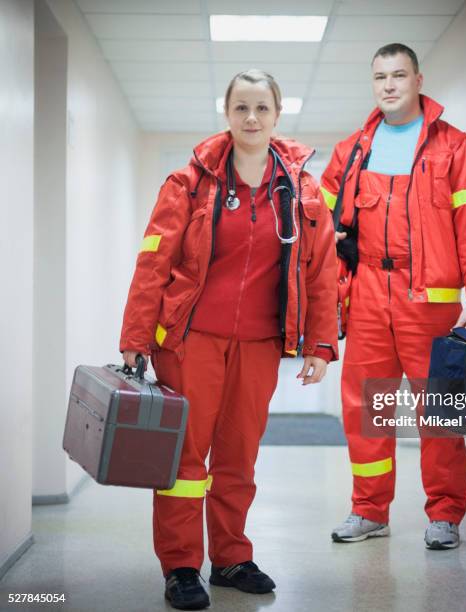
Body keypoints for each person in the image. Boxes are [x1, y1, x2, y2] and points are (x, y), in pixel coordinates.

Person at [120, 69, 338, 610]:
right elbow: (154, 263)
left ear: (277, 115)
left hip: (261, 344)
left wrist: (320, 344)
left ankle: (232, 557)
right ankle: (181, 566)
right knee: (185, 461)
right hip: (189, 341)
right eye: (241, 108)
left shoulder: (304, 191)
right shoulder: (188, 183)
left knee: (239, 458)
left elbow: (322, 272)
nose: (251, 118)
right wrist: (136, 335)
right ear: (227, 113)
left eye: (262, 108)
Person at [320, 43, 466, 550]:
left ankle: (445, 516)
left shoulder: (454, 147)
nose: (389, 85)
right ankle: (369, 511)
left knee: (438, 413)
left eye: (398, 75)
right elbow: (320, 229)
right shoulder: (352, 150)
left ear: (418, 79)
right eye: (380, 77)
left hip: (430, 300)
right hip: (370, 293)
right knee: (366, 408)